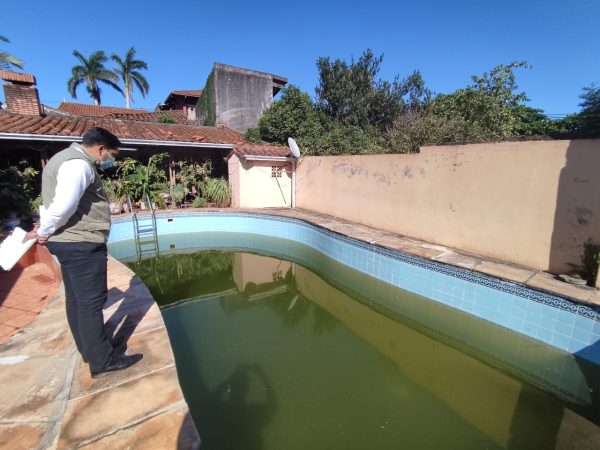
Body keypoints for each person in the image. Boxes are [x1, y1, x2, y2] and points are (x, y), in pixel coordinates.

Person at [25, 127, 142, 378]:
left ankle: (90, 350)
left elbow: (55, 203)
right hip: (81, 244)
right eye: (112, 155)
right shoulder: (79, 165)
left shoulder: (63, 159)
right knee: (91, 303)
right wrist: (43, 230)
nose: (111, 160)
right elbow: (63, 206)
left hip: (70, 243)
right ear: (101, 149)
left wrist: (46, 229)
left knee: (77, 299)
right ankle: (102, 361)